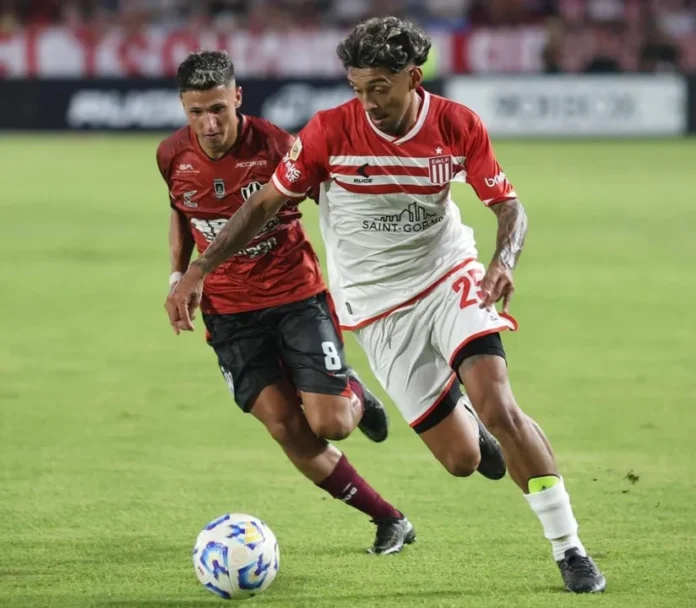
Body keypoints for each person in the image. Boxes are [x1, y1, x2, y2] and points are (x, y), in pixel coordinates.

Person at [171, 18, 611, 591]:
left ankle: (568, 547)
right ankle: (463, 414)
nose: (369, 102)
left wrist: (504, 260)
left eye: (380, 86)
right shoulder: (329, 131)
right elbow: (261, 206)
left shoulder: (456, 124)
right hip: (378, 309)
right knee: (462, 461)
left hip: (448, 275)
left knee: (500, 406)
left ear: (413, 78)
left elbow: (508, 205)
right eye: (358, 88)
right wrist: (199, 268)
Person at [159, 50, 422, 554]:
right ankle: (388, 519)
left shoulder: (278, 146)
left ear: (238, 98)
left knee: (331, 423)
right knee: (285, 426)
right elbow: (181, 210)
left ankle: (352, 391)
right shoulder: (172, 154)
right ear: (183, 108)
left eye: (218, 109)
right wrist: (178, 276)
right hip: (229, 314)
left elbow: (334, 202)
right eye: (197, 112)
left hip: (295, 296)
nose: (209, 125)